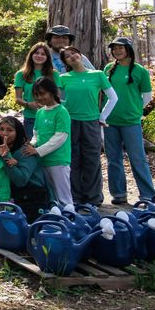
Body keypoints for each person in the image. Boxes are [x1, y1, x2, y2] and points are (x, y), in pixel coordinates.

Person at [57, 45, 117, 206]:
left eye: (74, 53)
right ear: (65, 62)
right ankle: (75, 198)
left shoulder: (97, 75)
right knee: (73, 159)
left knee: (92, 160)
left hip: (92, 122)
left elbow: (113, 97)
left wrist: (102, 116)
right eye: (67, 56)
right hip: (70, 123)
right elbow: (56, 100)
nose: (72, 56)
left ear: (80, 54)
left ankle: (93, 198)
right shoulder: (64, 78)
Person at [103, 37, 155, 205]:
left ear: (128, 49)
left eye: (120, 48)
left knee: (137, 157)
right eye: (114, 49)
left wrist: (135, 109)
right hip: (110, 121)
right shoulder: (108, 69)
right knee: (113, 158)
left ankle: (147, 194)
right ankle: (119, 194)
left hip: (131, 121)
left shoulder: (140, 71)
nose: (117, 52)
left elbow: (147, 96)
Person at [22, 77, 73, 208]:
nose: (39, 97)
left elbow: (60, 138)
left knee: (64, 198)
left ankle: (70, 221)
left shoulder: (62, 112)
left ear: (52, 92)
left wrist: (38, 151)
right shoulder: (40, 112)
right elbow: (36, 134)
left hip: (58, 161)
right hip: (42, 161)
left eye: (43, 93)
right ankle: (55, 223)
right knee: (51, 197)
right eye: (37, 94)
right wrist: (32, 144)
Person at [0, 115, 50, 219]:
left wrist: (6, 156)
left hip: (32, 196)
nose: (4, 133)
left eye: (9, 130)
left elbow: (21, 180)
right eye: (1, 129)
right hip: (9, 194)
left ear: (18, 132)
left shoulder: (25, 151)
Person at [14, 42, 55, 139]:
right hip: (30, 117)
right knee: (32, 147)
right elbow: (18, 98)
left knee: (49, 146)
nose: (39, 56)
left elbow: (57, 97)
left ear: (47, 57)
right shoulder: (21, 74)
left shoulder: (53, 74)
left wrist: (46, 105)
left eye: (43, 54)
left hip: (51, 116)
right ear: (31, 55)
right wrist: (28, 104)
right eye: (36, 53)